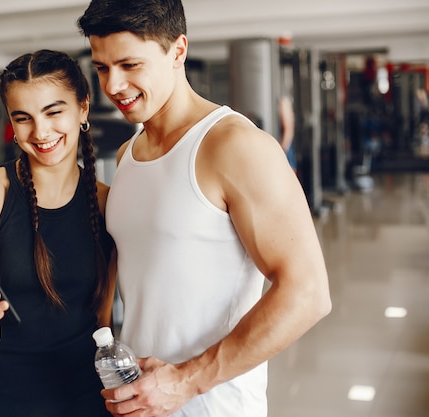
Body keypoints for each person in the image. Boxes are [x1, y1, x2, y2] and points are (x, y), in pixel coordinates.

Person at [77, 1, 332, 416]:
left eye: (129, 64)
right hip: (143, 401)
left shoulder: (234, 145)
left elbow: (308, 293)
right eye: (103, 68)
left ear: (178, 51)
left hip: (214, 405)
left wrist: (185, 381)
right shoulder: (128, 155)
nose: (113, 85)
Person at [0, 49, 115, 417]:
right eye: (23, 118)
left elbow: (103, 320)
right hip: (1, 398)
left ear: (83, 108)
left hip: (87, 396)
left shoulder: (107, 203)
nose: (41, 132)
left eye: (54, 112)